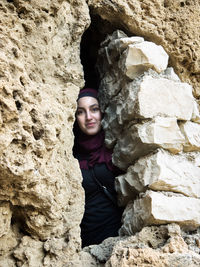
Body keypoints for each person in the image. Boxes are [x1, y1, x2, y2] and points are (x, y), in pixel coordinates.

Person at [73, 88, 123, 248]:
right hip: (82, 240)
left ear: (102, 112)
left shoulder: (116, 146)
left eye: (94, 109)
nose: (89, 117)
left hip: (117, 239)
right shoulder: (70, 153)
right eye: (81, 112)